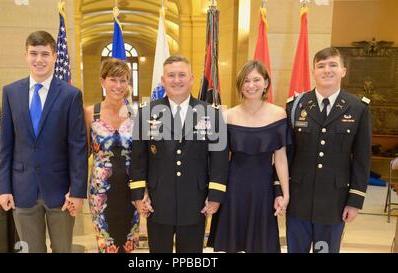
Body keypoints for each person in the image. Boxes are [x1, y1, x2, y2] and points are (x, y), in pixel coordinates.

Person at [0, 30, 88, 253]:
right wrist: (4, 188)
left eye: (45, 54)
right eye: (34, 53)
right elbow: (6, 145)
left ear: (55, 56)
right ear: (25, 56)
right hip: (22, 189)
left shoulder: (70, 95)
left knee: (62, 249)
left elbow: (77, 147)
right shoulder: (11, 93)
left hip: (61, 192)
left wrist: (77, 191)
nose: (39, 59)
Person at [130, 55, 229, 253]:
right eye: (171, 75)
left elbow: (219, 159)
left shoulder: (211, 113)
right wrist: (139, 194)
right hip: (158, 202)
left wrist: (216, 195)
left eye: (182, 75)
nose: (177, 80)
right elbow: (138, 159)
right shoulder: (147, 113)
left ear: (191, 78)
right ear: (162, 79)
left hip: (195, 201)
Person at [286, 47, 372, 253]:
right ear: (313, 72)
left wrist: (355, 201)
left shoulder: (358, 108)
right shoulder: (296, 106)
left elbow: (362, 159)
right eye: (321, 66)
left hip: (335, 200)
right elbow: (286, 155)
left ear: (343, 70)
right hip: (299, 197)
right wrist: (280, 191)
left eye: (333, 65)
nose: (327, 70)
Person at [208, 60, 290, 253]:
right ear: (240, 85)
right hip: (233, 187)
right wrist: (214, 194)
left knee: (261, 245)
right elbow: (218, 161)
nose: (251, 85)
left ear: (266, 83)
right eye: (246, 81)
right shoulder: (227, 116)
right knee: (230, 244)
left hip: (263, 188)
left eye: (256, 80)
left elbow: (280, 157)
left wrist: (285, 193)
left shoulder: (279, 114)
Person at [84, 58, 139, 253]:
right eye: (113, 80)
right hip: (101, 191)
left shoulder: (136, 115)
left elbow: (143, 157)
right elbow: (82, 153)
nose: (118, 85)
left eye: (123, 80)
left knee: (128, 242)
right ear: (102, 81)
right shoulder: (91, 114)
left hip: (131, 189)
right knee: (106, 244)